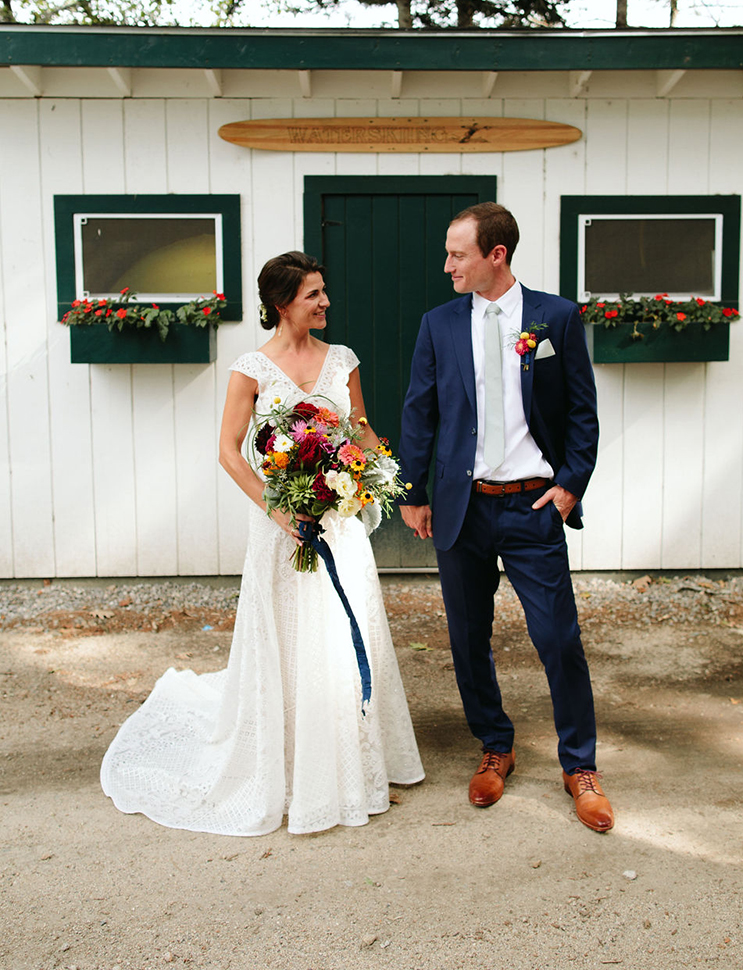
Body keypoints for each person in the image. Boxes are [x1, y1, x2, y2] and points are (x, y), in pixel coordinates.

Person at [101, 251, 424, 836]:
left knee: (339, 629)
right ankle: (288, 759)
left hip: (338, 521)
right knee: (288, 633)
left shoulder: (343, 359)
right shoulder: (251, 368)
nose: (325, 302)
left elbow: (359, 429)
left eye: (323, 291)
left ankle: (347, 756)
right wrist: (278, 511)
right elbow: (229, 451)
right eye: (313, 294)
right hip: (281, 528)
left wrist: (387, 480)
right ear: (282, 304)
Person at [398, 203, 613, 833]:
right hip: (462, 507)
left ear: (496, 255)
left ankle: (580, 766)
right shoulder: (438, 324)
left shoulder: (555, 317)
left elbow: (582, 412)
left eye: (457, 254)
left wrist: (570, 486)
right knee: (468, 639)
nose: (447, 266)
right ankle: (496, 745)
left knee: (558, 639)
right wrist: (412, 492)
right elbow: (420, 412)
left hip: (532, 505)